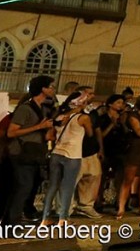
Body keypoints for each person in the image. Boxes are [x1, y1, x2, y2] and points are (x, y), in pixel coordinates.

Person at [5, 75, 56, 225]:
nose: (53, 89)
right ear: (43, 89)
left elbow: (44, 134)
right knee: (22, 188)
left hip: (35, 152)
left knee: (27, 188)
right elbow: (11, 132)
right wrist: (39, 127)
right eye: (51, 86)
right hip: (21, 152)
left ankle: (13, 220)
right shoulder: (25, 108)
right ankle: (10, 223)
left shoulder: (43, 109)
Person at [42, 90, 94, 225]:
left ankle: (45, 218)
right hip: (72, 155)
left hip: (56, 153)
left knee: (52, 186)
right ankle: (63, 219)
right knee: (67, 187)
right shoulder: (83, 118)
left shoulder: (59, 116)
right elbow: (90, 133)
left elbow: (49, 136)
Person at [71, 86, 104, 219]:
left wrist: (100, 148)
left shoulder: (92, 112)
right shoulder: (71, 110)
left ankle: (86, 206)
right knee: (72, 179)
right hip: (75, 150)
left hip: (91, 150)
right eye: (89, 93)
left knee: (93, 176)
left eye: (92, 93)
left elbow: (96, 130)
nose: (92, 96)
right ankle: (68, 207)